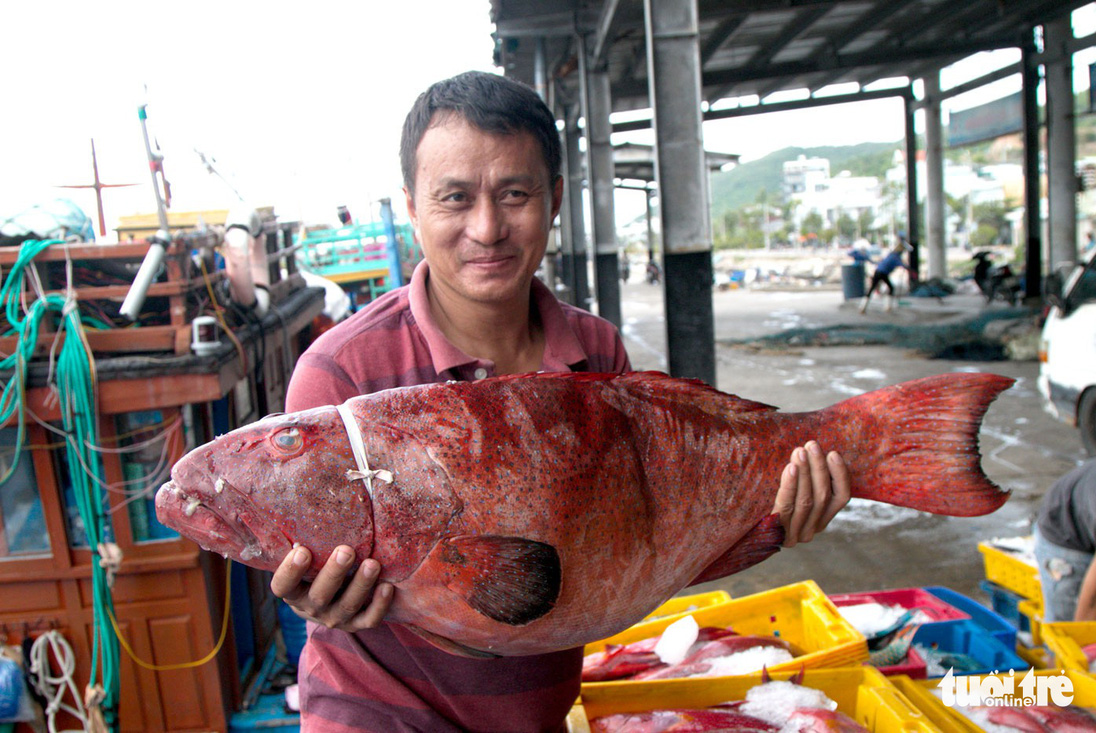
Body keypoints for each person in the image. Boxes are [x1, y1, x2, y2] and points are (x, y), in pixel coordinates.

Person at [270, 70, 851, 733]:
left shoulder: (598, 352)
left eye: (514, 193)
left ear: (554, 199)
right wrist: (318, 595)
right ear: (411, 205)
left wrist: (763, 522)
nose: (486, 228)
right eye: (455, 198)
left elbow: (630, 557)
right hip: (373, 716)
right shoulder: (339, 373)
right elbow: (313, 566)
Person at [1034, 458, 1096, 622]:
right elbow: (1094, 597)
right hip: (1066, 531)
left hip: (1089, 507)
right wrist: (1079, 644)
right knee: (1068, 624)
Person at [859, 235, 913, 314]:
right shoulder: (896, 257)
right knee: (890, 288)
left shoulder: (891, 255)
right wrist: (910, 268)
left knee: (872, 288)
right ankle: (887, 307)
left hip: (878, 271)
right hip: (883, 273)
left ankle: (863, 307)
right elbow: (903, 265)